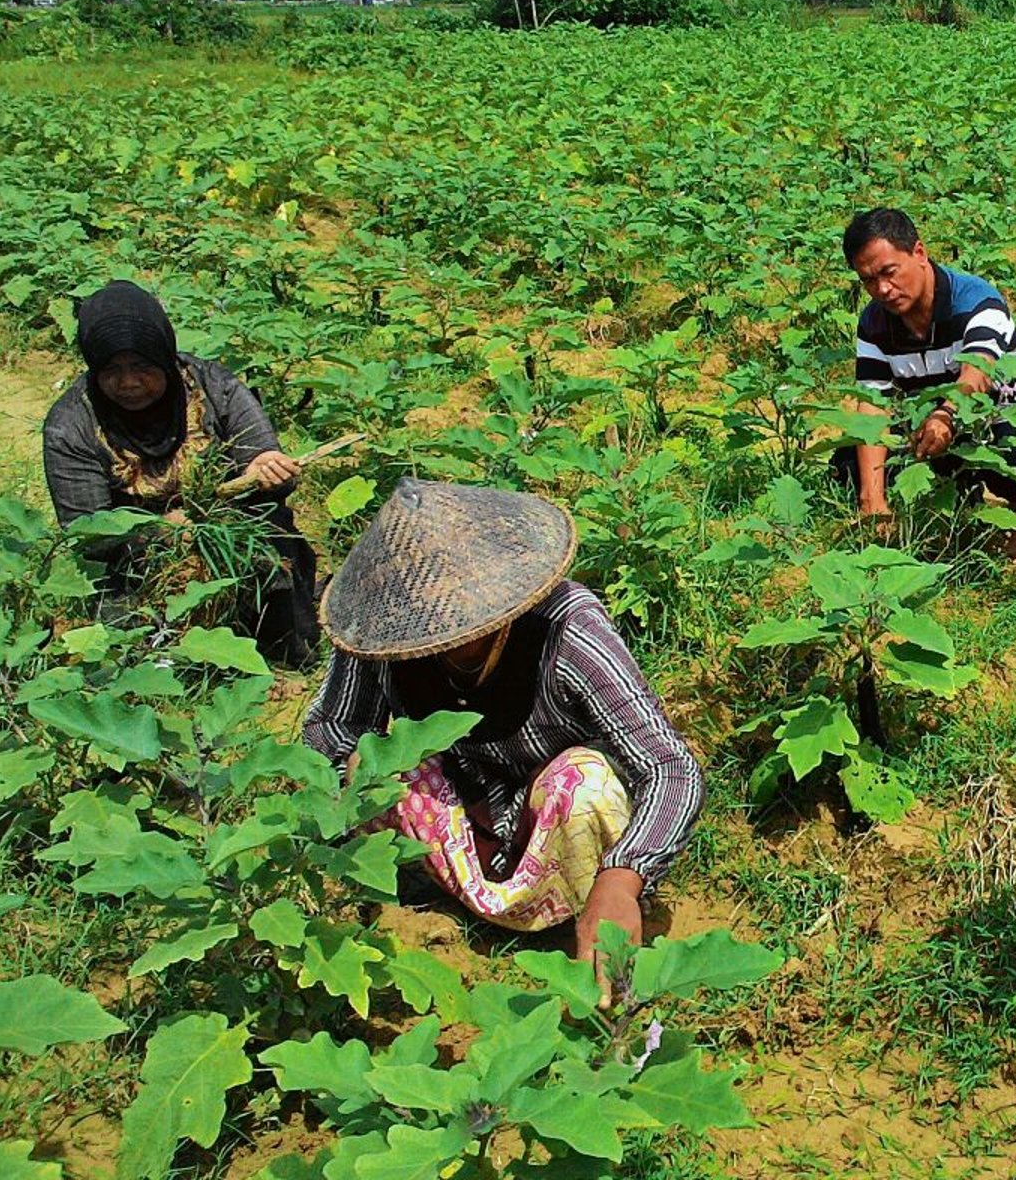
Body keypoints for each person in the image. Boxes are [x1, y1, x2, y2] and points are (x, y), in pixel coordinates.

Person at [301, 478, 704, 982]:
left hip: (555, 829)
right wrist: (353, 763)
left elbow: (669, 765)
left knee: (585, 781)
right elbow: (331, 724)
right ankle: (419, 906)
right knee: (376, 764)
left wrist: (621, 881)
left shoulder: (565, 627)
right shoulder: (382, 632)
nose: (440, 642)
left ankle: (585, 927)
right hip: (456, 822)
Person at [41, 279, 320, 662]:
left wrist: (266, 470)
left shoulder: (213, 388)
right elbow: (89, 532)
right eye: (112, 370)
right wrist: (160, 531)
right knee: (143, 654)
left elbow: (261, 459)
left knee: (271, 545)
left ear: (165, 358)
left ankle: (279, 648)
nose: (128, 383)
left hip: (230, 531)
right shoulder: (71, 425)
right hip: (135, 561)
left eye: (141, 366)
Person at [836, 207, 1016, 558]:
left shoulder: (976, 300)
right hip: (931, 421)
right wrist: (873, 500)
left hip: (998, 416)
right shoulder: (874, 322)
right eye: (867, 280)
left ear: (919, 253)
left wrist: (947, 415)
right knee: (849, 465)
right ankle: (959, 497)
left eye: (889, 272)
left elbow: (977, 371)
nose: (882, 288)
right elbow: (872, 405)